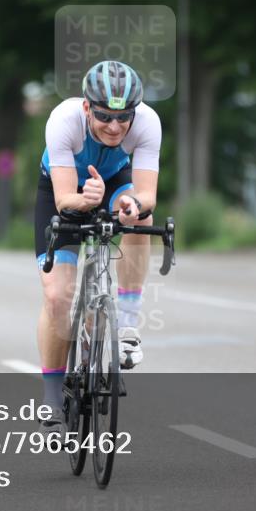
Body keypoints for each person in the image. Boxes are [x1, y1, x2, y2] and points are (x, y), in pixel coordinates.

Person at [34, 60, 161, 436]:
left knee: (140, 218)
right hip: (66, 189)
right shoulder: (63, 120)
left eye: (124, 117)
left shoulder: (149, 122)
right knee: (57, 297)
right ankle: (53, 400)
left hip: (115, 180)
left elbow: (148, 192)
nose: (115, 126)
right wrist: (83, 198)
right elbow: (62, 200)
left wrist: (134, 206)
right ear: (87, 106)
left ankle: (126, 324)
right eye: (105, 115)